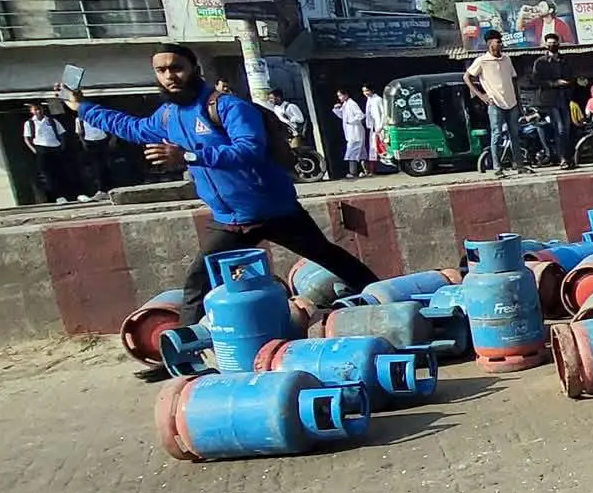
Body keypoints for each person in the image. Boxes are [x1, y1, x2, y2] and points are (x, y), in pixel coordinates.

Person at [59, 43, 379, 329]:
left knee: (328, 257)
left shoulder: (227, 107)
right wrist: (84, 108)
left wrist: (186, 155)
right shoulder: (168, 115)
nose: (170, 75)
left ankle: (384, 298)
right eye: (162, 70)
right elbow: (132, 127)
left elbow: (248, 150)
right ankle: (183, 352)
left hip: (273, 209)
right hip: (229, 219)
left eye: (177, 68)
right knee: (199, 280)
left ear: (194, 70)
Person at [464, 29, 528, 177]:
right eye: (498, 41)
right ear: (489, 43)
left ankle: (520, 165)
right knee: (497, 135)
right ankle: (497, 167)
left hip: (511, 103)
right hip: (495, 103)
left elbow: (513, 80)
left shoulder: (507, 59)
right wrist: (481, 95)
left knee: (515, 135)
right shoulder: (481, 61)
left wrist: (519, 102)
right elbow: (467, 77)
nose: (501, 44)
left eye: (501, 41)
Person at [531, 33, 577, 169]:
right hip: (549, 101)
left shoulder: (565, 61)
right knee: (560, 129)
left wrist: (572, 84)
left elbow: (572, 78)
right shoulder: (540, 62)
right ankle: (562, 159)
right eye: (549, 43)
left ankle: (566, 158)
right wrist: (555, 83)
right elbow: (535, 81)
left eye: (554, 43)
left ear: (559, 44)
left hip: (565, 99)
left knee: (567, 130)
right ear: (545, 45)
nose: (552, 45)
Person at [22, 101, 78, 203]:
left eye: (39, 109)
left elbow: (62, 133)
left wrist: (62, 145)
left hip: (55, 147)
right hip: (41, 149)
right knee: (47, 175)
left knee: (61, 172)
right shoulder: (29, 123)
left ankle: (70, 195)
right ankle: (56, 197)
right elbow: (27, 138)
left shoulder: (52, 121)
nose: (38, 111)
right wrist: (34, 150)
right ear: (32, 111)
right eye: (35, 109)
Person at [76, 108, 113, 198]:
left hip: (103, 139)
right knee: (97, 166)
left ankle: (109, 188)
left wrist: (112, 139)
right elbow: (80, 132)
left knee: (106, 165)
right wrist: (83, 142)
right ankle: (101, 189)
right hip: (90, 142)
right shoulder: (79, 119)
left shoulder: (100, 115)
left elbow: (110, 127)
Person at [333, 89, 368, 178]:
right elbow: (343, 117)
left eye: (340, 95)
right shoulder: (345, 104)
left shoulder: (352, 103)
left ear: (346, 95)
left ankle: (352, 172)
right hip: (351, 132)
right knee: (360, 153)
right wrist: (337, 109)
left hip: (356, 131)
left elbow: (360, 115)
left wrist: (351, 121)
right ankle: (365, 171)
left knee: (352, 152)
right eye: (338, 96)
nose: (339, 98)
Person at [360, 84, 389, 172]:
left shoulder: (378, 100)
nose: (365, 93)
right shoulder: (369, 101)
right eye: (364, 91)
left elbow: (384, 114)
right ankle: (373, 170)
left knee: (384, 147)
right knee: (375, 148)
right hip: (373, 127)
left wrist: (380, 126)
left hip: (380, 127)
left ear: (372, 90)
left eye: (367, 91)